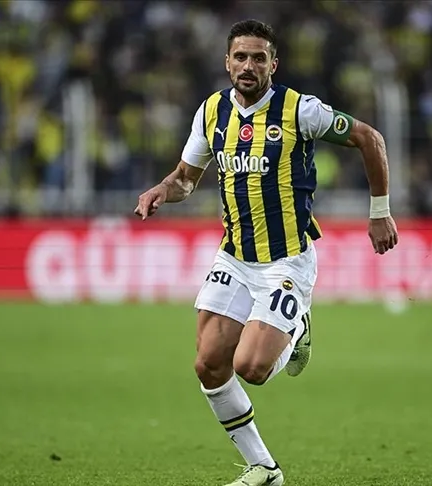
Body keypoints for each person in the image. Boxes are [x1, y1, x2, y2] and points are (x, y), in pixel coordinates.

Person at [133, 19, 399, 486]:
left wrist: (380, 211)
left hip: (286, 260)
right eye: (241, 57)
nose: (248, 66)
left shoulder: (300, 110)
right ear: (227, 62)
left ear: (274, 64)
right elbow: (186, 180)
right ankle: (264, 468)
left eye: (259, 58)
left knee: (251, 368)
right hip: (234, 257)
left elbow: (369, 138)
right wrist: (161, 189)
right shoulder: (211, 111)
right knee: (208, 364)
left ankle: (298, 330)